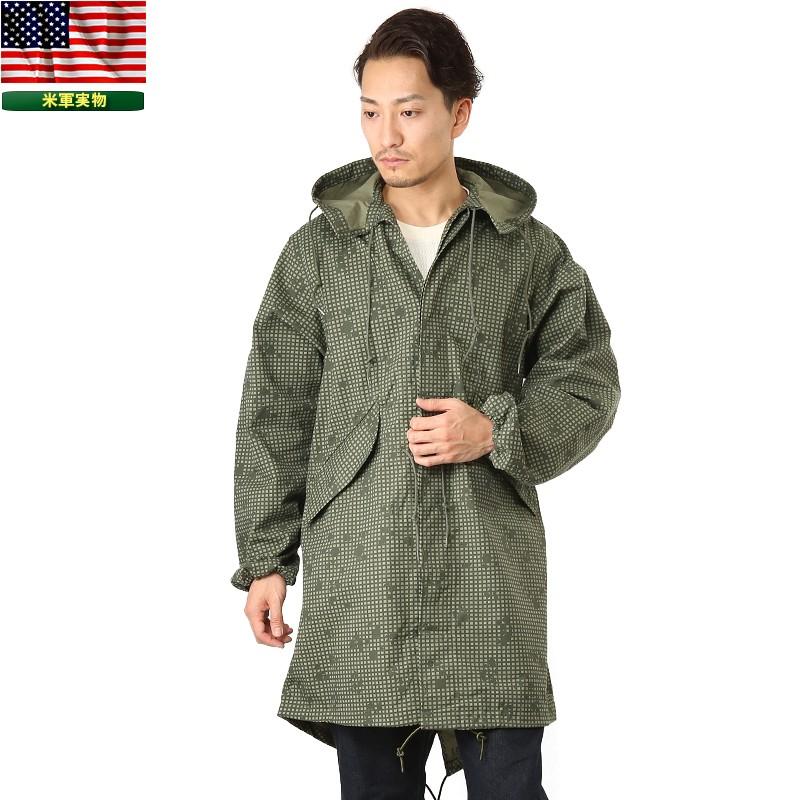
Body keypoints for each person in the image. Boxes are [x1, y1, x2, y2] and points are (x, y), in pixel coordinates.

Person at [230, 8, 621, 799]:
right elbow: (276, 404)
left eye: (409, 111)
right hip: (363, 573)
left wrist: (496, 429)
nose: (387, 135)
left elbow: (586, 378)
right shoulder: (319, 253)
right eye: (371, 112)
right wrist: (266, 558)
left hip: (486, 567)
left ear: (458, 112)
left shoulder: (526, 250)